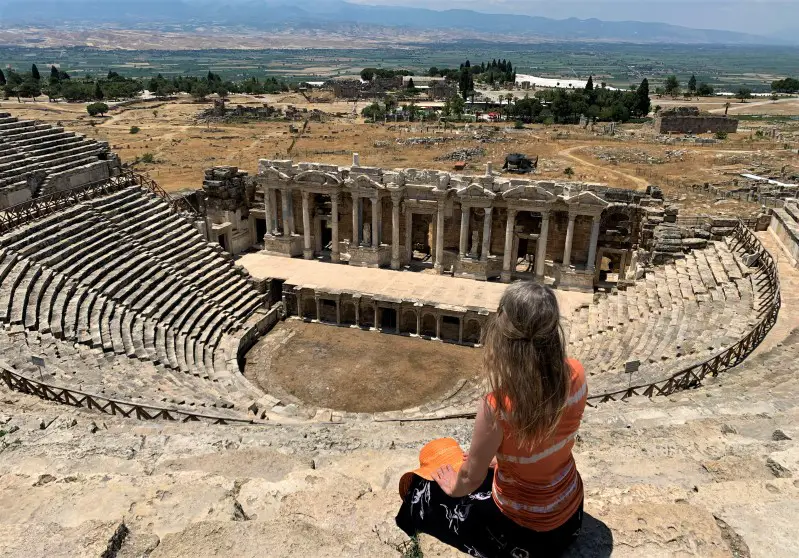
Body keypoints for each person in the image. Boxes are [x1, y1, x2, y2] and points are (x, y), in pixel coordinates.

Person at [396, 282, 587, 557]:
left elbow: (470, 480)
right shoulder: (577, 374)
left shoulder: (497, 406)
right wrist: (504, 459)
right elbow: (544, 439)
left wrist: (453, 486)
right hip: (569, 516)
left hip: (524, 534)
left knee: (422, 490)